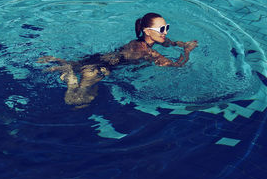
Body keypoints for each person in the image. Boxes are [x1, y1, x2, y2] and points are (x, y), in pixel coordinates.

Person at [37, 13, 198, 108]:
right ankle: (70, 79)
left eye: (166, 27)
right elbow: (177, 66)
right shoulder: (146, 51)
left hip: (97, 59)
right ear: (147, 31)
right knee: (77, 102)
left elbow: (170, 42)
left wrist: (182, 44)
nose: (165, 32)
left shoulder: (147, 41)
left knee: (86, 88)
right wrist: (187, 51)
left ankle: (67, 65)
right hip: (98, 69)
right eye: (162, 29)